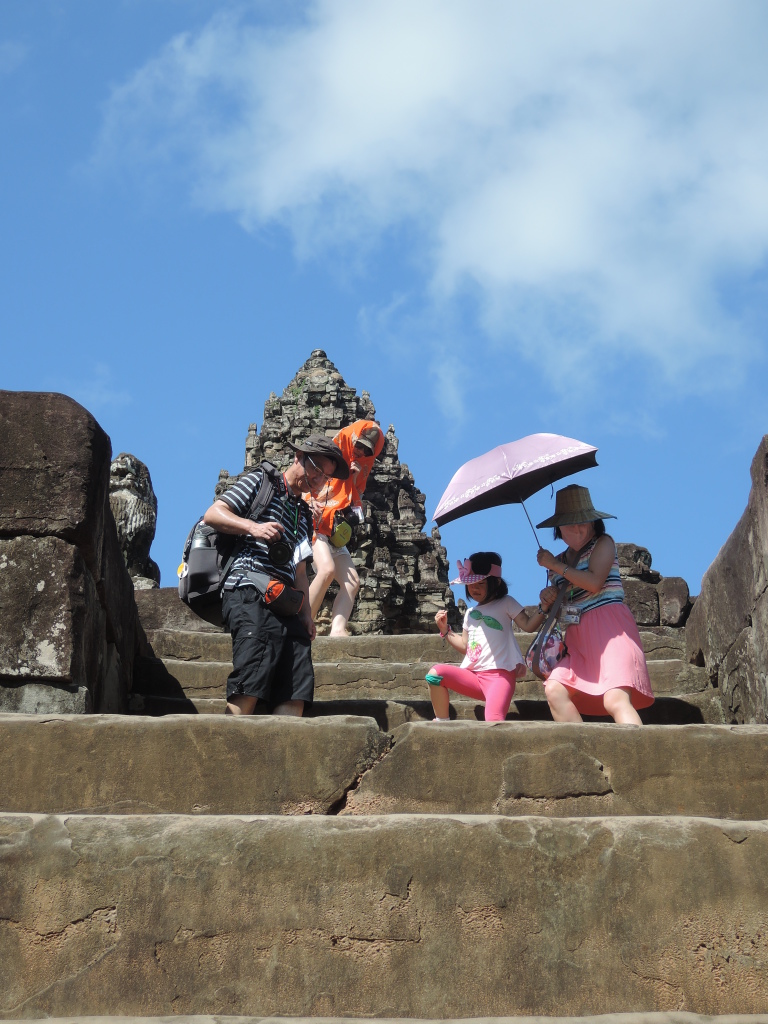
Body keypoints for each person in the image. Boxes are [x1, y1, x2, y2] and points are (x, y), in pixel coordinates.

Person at [203, 435, 349, 717]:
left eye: (325, 478)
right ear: (298, 458)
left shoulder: (304, 515)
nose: (318, 480)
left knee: (296, 687)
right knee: (251, 676)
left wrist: (306, 614)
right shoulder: (261, 482)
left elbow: (301, 570)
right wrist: (252, 527)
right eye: (316, 470)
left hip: (286, 600)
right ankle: (230, 748)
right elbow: (214, 513)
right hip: (248, 588)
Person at [533, 484, 654, 725]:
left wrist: (556, 567)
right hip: (577, 637)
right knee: (555, 690)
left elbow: (595, 583)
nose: (577, 528)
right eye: (570, 523)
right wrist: (550, 597)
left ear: (593, 523)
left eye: (583, 522)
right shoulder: (555, 563)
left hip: (610, 629)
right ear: (559, 529)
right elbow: (566, 603)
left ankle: (638, 759)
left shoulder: (603, 543)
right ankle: (582, 753)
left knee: (615, 699)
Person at [426, 552, 542, 722]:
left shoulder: (506, 602)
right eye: (470, 584)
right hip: (473, 677)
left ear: (496, 582)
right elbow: (466, 646)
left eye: (480, 583)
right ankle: (443, 723)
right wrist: (446, 630)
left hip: (500, 677)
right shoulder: (471, 613)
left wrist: (544, 608)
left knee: (493, 720)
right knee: (434, 674)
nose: (474, 589)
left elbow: (528, 625)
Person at [306, 420, 385, 637]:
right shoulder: (329, 457)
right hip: (313, 525)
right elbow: (309, 485)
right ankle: (302, 623)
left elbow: (353, 502)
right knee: (326, 570)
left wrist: (355, 476)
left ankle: (337, 630)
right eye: (358, 445)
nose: (360, 452)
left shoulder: (358, 468)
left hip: (332, 532)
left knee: (352, 583)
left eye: (367, 450)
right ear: (351, 438)